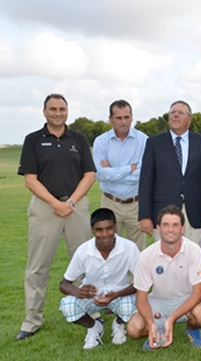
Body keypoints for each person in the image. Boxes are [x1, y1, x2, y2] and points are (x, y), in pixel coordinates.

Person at [16, 93, 96, 340]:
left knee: (85, 263)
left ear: (67, 111)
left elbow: (90, 174)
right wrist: (55, 203)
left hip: (76, 206)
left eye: (62, 109)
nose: (58, 113)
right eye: (53, 109)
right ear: (44, 112)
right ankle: (31, 322)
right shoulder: (33, 140)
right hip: (45, 208)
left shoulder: (78, 139)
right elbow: (30, 179)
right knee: (38, 267)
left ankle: (91, 313)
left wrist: (70, 202)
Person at [127, 205, 201, 350]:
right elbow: (141, 298)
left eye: (175, 225)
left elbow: (198, 293)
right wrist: (150, 322)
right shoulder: (146, 256)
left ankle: (192, 328)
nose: (170, 230)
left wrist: (172, 319)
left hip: (186, 298)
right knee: (134, 329)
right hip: (158, 302)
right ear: (158, 228)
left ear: (182, 228)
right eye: (165, 225)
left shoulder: (194, 250)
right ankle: (156, 330)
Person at [138, 100, 201, 252]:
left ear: (189, 119)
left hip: (195, 212)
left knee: (193, 258)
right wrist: (144, 215)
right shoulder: (154, 143)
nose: (175, 115)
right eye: (172, 112)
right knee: (164, 260)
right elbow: (146, 181)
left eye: (180, 112)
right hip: (163, 212)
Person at [58, 208, 139, 349]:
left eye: (109, 228)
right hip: (92, 295)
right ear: (92, 230)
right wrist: (77, 292)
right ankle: (94, 327)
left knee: (136, 304)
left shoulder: (129, 247)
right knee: (68, 306)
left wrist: (117, 294)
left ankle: (119, 324)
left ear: (115, 226)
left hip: (119, 293)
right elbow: (64, 284)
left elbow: (142, 282)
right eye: (99, 230)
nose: (105, 234)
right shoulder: (84, 250)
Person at [93, 100, 148, 250]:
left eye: (127, 117)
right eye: (118, 118)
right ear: (110, 119)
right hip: (110, 202)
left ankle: (136, 276)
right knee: (107, 248)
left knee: (138, 252)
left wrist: (113, 171)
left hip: (136, 204)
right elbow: (100, 175)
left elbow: (144, 175)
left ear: (132, 117)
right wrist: (130, 168)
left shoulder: (143, 140)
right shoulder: (101, 142)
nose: (123, 122)